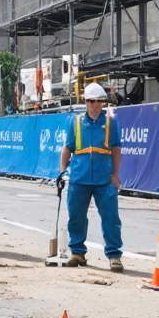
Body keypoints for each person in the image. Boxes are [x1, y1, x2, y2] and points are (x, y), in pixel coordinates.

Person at [60, 83, 123, 271]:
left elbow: (116, 150)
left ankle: (114, 255)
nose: (94, 105)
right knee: (76, 217)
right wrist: (63, 172)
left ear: (102, 102)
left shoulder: (111, 123)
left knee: (111, 218)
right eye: (91, 101)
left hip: (104, 179)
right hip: (79, 178)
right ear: (86, 102)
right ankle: (77, 253)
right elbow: (67, 148)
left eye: (98, 101)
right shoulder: (75, 122)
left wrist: (115, 175)